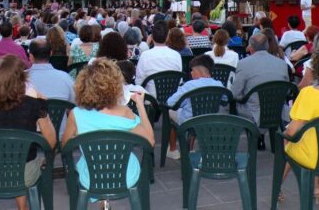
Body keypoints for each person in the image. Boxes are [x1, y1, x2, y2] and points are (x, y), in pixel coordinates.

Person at [61, 59, 154, 202]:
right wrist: (140, 105)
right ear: (115, 86)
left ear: (83, 85)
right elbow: (150, 141)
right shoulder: (125, 112)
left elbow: (65, 147)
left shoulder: (76, 114)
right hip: (125, 176)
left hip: (91, 177)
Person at [0, 54, 56, 210]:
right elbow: (51, 143)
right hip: (24, 173)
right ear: (22, 79)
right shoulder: (34, 105)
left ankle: (22, 206)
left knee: (14, 155)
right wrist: (43, 106)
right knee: (23, 158)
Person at [164, 55, 225, 159]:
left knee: (170, 113)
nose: (191, 73)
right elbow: (225, 99)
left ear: (198, 71)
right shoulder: (218, 84)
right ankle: (191, 149)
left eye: (192, 70)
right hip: (210, 119)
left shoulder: (189, 85)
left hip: (189, 121)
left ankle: (172, 149)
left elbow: (170, 103)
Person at [230, 33, 290, 125]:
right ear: (267, 46)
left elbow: (235, 94)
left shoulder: (243, 64)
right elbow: (287, 91)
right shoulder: (282, 64)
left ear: (251, 48)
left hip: (254, 114)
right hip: (278, 111)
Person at [135, 20, 182, 96]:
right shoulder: (176, 55)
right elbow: (179, 81)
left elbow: (138, 82)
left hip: (150, 100)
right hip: (172, 100)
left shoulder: (145, 56)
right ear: (167, 37)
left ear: (152, 37)